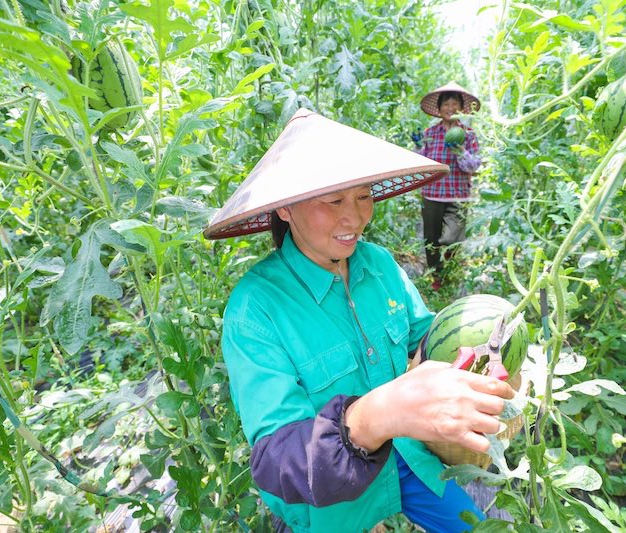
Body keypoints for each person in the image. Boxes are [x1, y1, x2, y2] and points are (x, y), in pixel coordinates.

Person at [204, 109, 514, 533]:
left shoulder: (379, 265)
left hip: (407, 455)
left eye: (364, 195)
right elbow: (277, 461)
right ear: (286, 210)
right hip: (328, 501)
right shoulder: (255, 309)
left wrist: (483, 354)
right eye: (334, 200)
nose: (355, 217)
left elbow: (422, 341)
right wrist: (370, 419)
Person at [416, 82, 482, 290]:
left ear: (461, 109)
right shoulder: (430, 133)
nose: (450, 108)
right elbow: (420, 161)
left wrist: (461, 151)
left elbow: (473, 166)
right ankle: (437, 277)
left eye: (455, 104)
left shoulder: (468, 134)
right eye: (447, 104)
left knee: (453, 237)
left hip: (458, 195)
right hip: (432, 193)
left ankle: (450, 267)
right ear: (440, 108)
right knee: (431, 238)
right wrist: (418, 145)